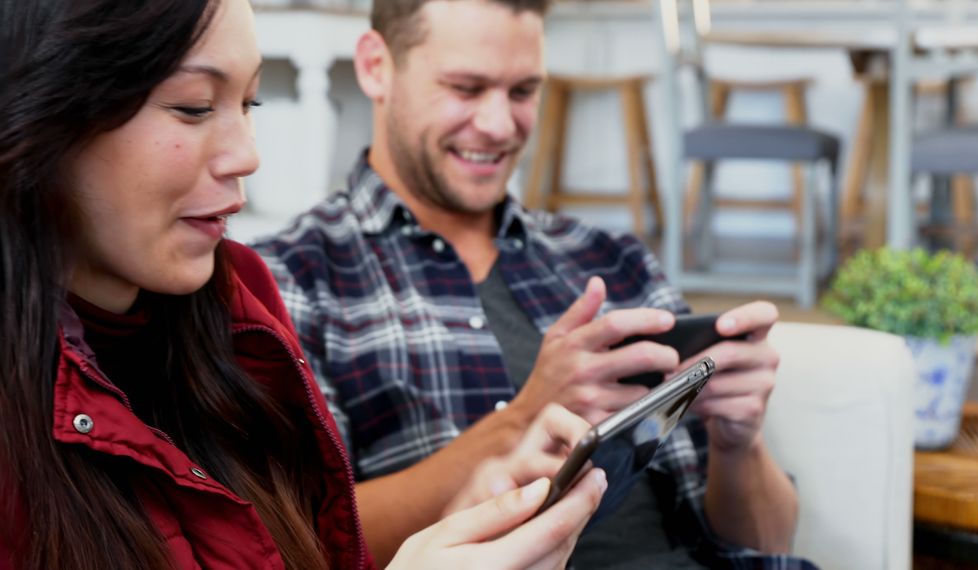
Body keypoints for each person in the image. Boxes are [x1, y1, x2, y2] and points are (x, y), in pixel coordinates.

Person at [0, 0, 607, 568]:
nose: (247, 154)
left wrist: (467, 510)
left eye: (250, 104)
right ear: (42, 107)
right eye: (193, 105)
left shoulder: (240, 311)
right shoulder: (294, 278)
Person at [254, 0, 818, 568]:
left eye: (523, 92)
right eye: (466, 88)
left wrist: (737, 443)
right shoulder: (293, 280)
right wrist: (523, 416)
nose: (500, 126)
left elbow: (769, 545)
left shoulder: (611, 258)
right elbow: (295, 540)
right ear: (377, 66)